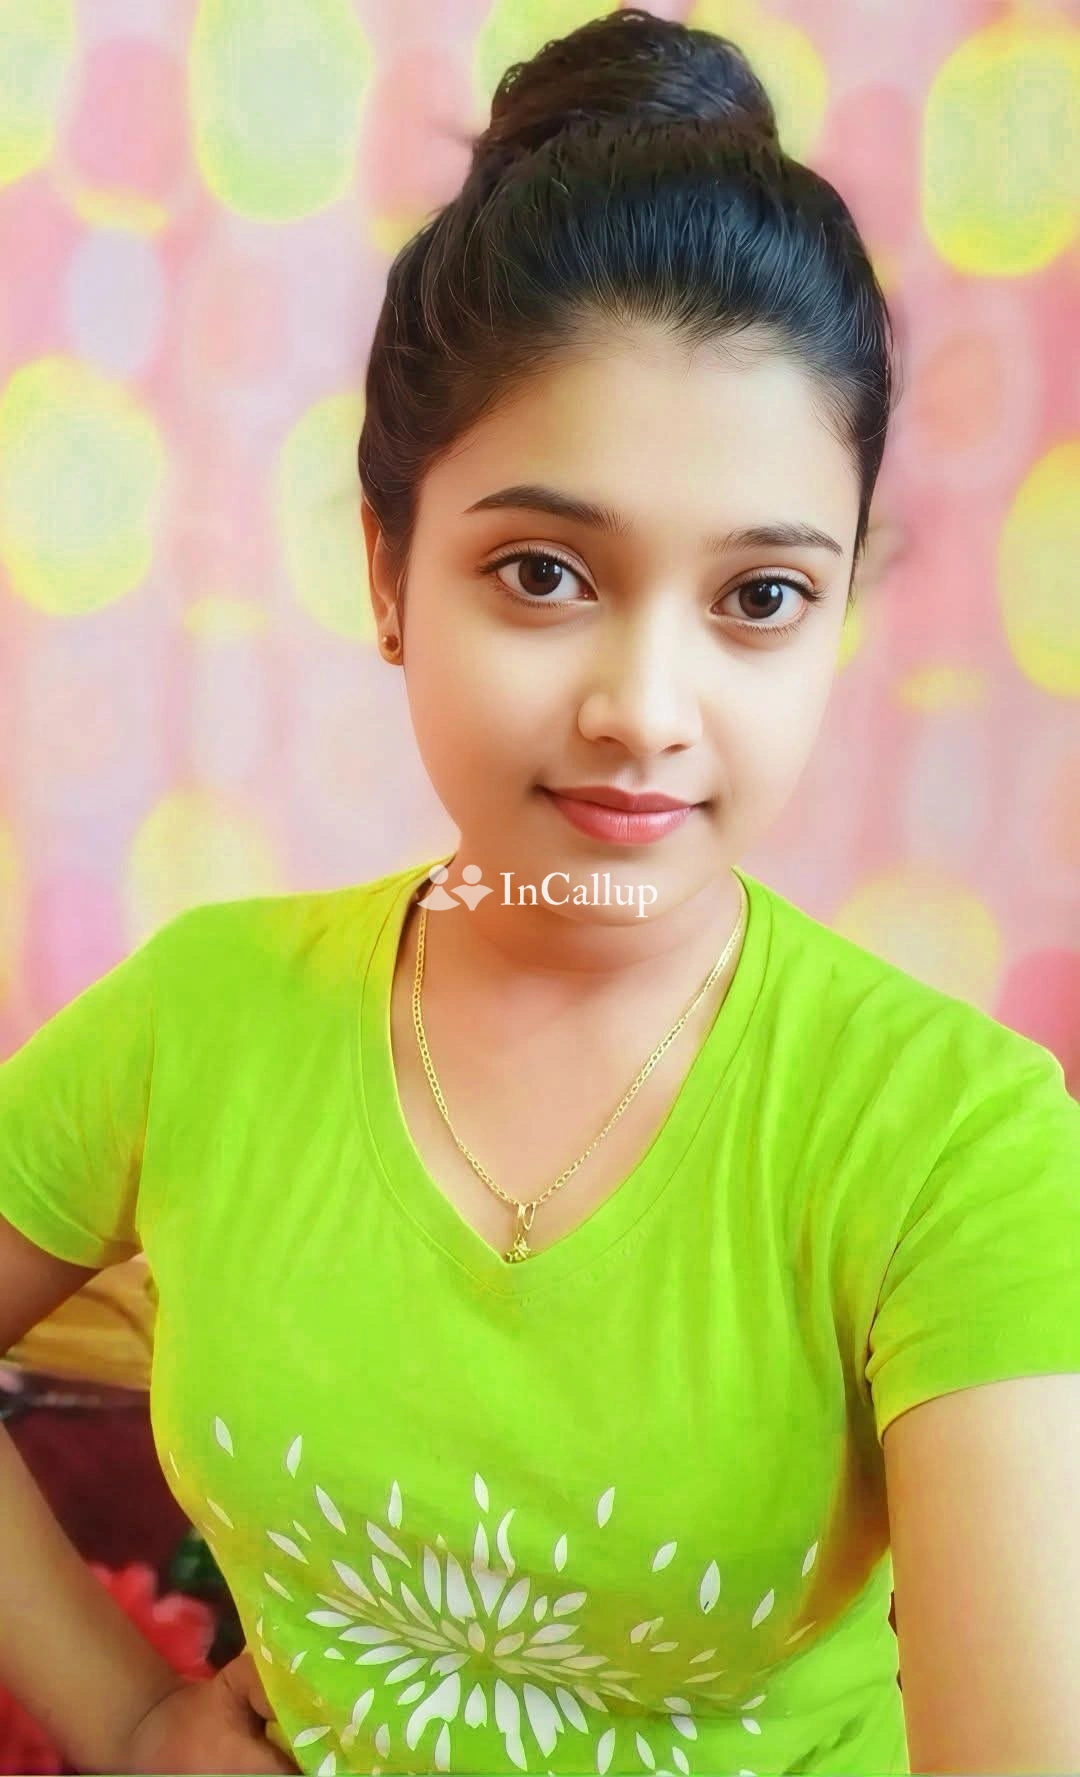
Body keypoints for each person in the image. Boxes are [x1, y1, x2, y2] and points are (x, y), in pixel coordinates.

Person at [1, 9, 1078, 1775]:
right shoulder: (201, 1020)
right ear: (387, 571)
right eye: (544, 571)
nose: (646, 710)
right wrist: (126, 1719)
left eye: (760, 598)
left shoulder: (957, 1142)